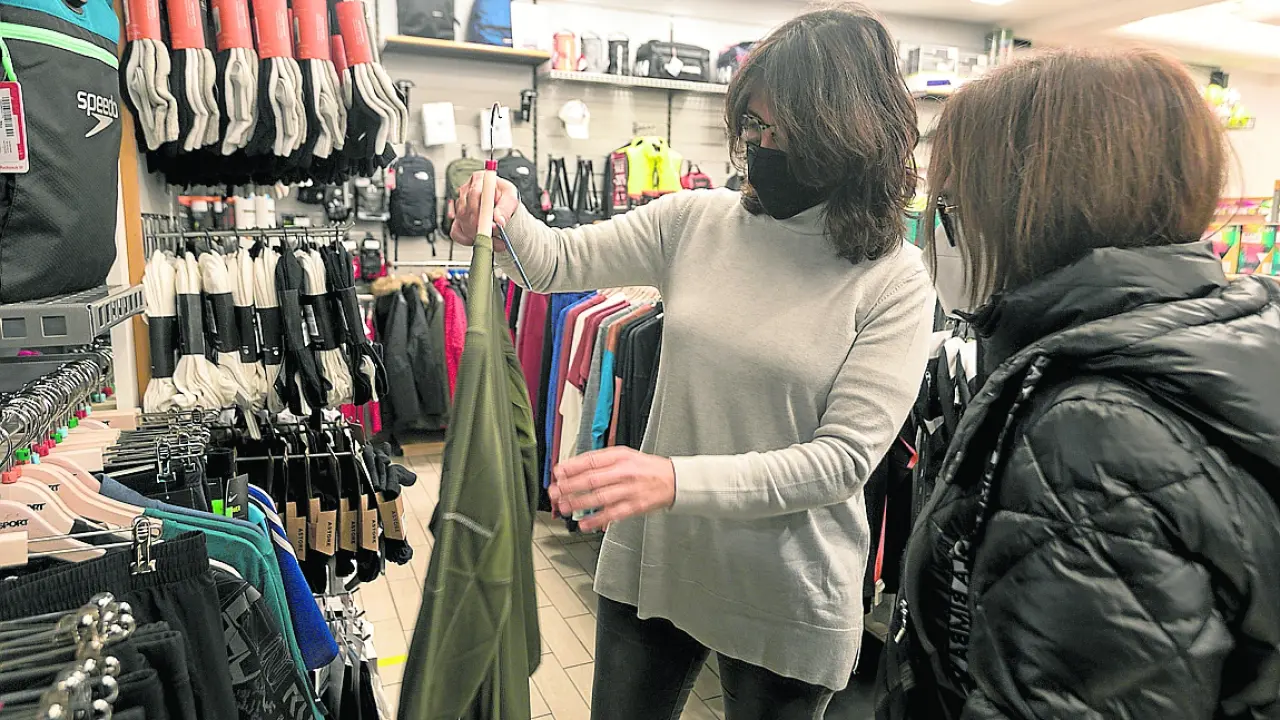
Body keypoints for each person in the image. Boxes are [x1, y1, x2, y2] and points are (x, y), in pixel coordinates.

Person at [450, 5, 936, 718]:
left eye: (784, 132)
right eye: (753, 126)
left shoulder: (894, 280)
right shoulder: (695, 222)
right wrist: (502, 213)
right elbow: (550, 261)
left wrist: (673, 479)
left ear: (847, 134)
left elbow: (840, 462)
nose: (761, 146)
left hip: (786, 589)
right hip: (659, 561)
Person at [879, 49, 1280, 719]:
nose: (941, 231)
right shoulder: (1229, 340)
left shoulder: (1095, 435)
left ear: (1022, 209)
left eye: (950, 205)